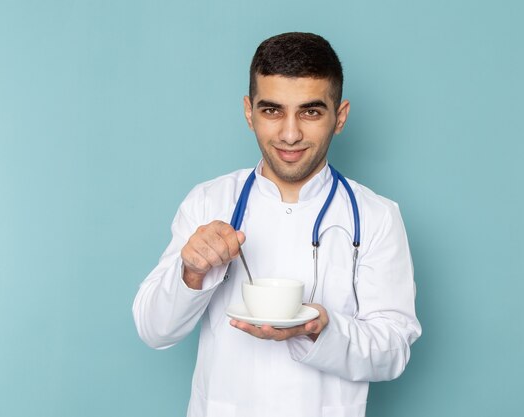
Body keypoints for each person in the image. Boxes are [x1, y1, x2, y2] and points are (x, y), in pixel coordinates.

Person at [133, 32, 421, 417]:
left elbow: (394, 351)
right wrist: (191, 272)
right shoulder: (208, 201)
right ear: (249, 112)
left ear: (340, 116)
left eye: (310, 111)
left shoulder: (375, 216)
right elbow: (154, 330)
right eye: (272, 111)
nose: (290, 133)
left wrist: (320, 328)